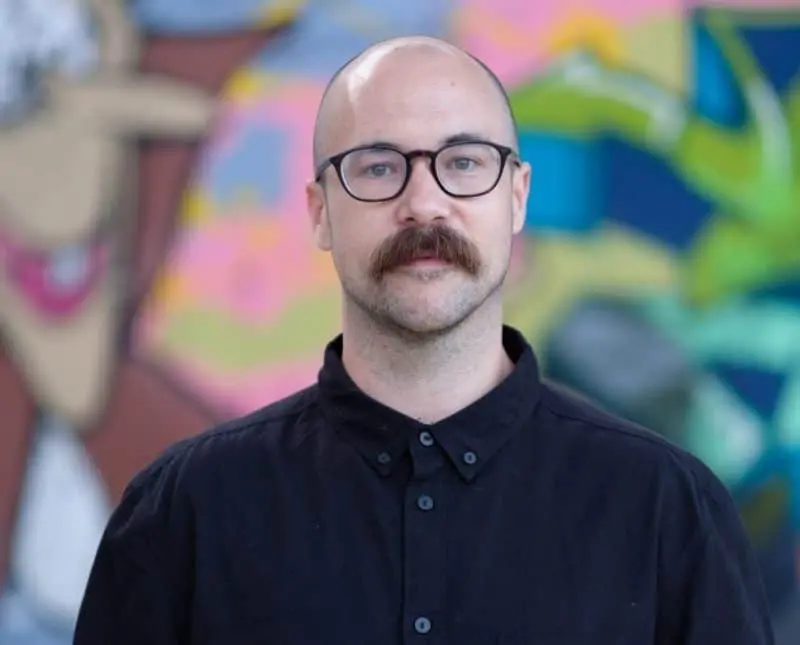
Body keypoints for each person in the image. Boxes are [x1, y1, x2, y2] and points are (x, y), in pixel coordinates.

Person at [73, 36, 775, 644]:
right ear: (319, 212)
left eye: (464, 162)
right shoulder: (186, 511)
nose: (424, 203)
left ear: (517, 197)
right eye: (378, 166)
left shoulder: (667, 510)